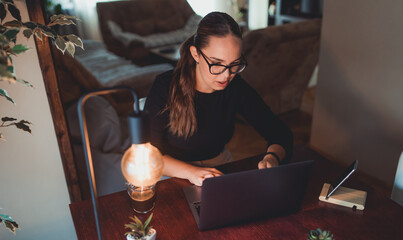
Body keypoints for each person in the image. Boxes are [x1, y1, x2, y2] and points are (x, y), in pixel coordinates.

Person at [144, 12, 293, 186]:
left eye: (234, 64)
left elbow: (280, 133)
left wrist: (272, 158)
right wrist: (191, 172)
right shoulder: (164, 87)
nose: (226, 75)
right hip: (171, 172)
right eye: (217, 63)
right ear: (196, 54)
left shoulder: (235, 86)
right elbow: (149, 155)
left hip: (220, 166)